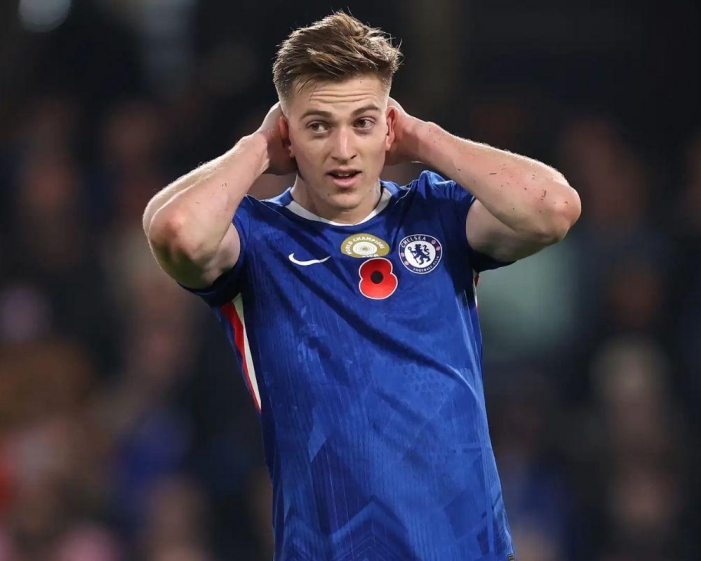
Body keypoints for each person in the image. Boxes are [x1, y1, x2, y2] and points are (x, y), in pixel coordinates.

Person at [142, 11, 580, 561]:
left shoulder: (437, 213)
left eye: (363, 123)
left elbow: (554, 208)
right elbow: (176, 232)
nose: (344, 148)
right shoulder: (256, 239)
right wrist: (255, 148)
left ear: (388, 128)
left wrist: (425, 138)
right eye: (319, 126)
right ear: (288, 135)